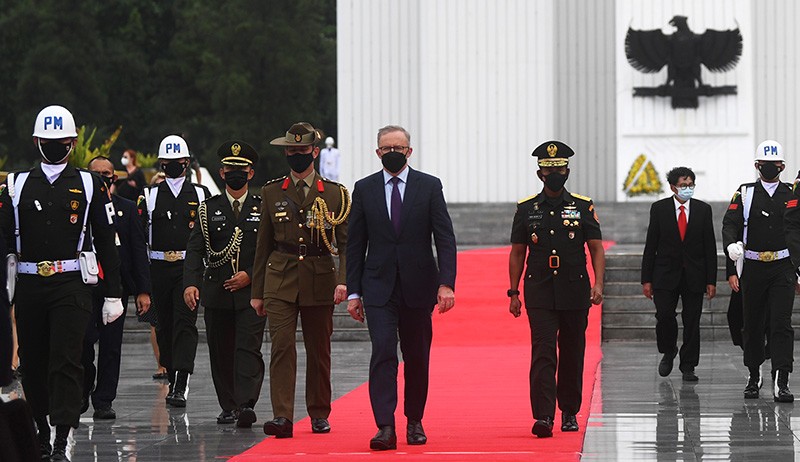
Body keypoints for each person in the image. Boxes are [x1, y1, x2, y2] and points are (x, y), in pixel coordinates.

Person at [0, 105, 123, 461]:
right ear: (37, 141)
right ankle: (39, 426)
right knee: (33, 361)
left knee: (67, 360)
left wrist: (113, 293)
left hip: (70, 284)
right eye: (49, 141)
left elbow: (106, 240)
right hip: (28, 283)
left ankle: (61, 435)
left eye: (62, 141)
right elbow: (6, 239)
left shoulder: (89, 184)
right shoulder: (16, 185)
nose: (56, 146)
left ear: (72, 141)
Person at [346, 125, 457, 451]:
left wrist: (446, 283)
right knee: (382, 351)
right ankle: (385, 426)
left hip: (419, 286)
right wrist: (353, 291)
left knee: (417, 356)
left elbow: (445, 238)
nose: (392, 151)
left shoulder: (429, 186)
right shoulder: (364, 189)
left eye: (399, 146)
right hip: (378, 287)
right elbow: (355, 244)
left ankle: (414, 420)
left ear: (409, 151)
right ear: (377, 152)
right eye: (386, 147)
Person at [250, 122, 350, 438]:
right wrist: (257, 291)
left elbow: (346, 245)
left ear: (314, 153)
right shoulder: (270, 191)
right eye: (291, 151)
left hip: (320, 276)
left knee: (319, 350)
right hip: (280, 276)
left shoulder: (335, 194)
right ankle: (282, 416)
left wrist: (344, 281)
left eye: (301, 150)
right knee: (281, 346)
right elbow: (262, 245)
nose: (296, 155)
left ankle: (319, 412)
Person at [508, 140, 605, 438]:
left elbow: (597, 249)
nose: (555, 174)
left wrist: (598, 283)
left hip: (575, 290)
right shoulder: (526, 209)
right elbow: (517, 252)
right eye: (549, 170)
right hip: (539, 290)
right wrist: (513, 292)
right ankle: (544, 416)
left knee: (573, 351)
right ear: (540, 174)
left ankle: (569, 412)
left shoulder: (582, 205)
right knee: (543, 352)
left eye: (559, 169)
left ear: (567, 171)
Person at [184, 141, 266, 428]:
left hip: (251, 292)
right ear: (221, 173)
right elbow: (195, 250)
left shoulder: (262, 207)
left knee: (248, 348)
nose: (235, 174)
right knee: (221, 351)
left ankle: (246, 403)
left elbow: (270, 251)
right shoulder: (208, 209)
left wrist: (251, 275)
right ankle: (228, 405)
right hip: (217, 290)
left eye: (240, 170)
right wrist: (190, 284)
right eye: (230, 169)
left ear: (250, 174)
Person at [138, 135, 210, 408]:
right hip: (158, 267)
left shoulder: (201, 194)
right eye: (167, 163)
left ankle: (181, 381)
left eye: (178, 163)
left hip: (188, 268)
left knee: (185, 323)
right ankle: (170, 368)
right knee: (164, 326)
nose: (172, 167)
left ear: (187, 163)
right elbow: (142, 236)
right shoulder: (149, 196)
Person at [723, 139, 795, 402]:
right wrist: (731, 249)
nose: (769, 169)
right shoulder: (745, 193)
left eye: (774, 165)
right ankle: (754, 375)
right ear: (756, 165)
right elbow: (730, 223)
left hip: (782, 267)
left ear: (782, 166)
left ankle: (782, 379)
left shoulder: (791, 193)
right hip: (752, 266)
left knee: (781, 324)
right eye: (764, 165)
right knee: (752, 323)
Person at [81, 156, 152, 420]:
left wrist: (143, 291)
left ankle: (104, 400)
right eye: (96, 173)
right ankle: (83, 388)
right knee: (83, 342)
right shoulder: (79, 207)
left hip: (115, 287)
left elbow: (137, 250)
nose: (102, 177)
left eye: (106, 173)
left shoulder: (128, 208)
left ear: (115, 178)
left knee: (111, 346)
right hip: (84, 286)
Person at [641, 167, 717, 382]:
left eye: (691, 184)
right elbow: (651, 245)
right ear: (673, 187)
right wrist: (646, 279)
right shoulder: (659, 209)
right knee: (664, 315)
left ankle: (689, 365)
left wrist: (711, 280)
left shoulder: (703, 210)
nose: (688, 188)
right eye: (684, 185)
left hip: (694, 274)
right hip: (665, 274)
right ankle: (668, 349)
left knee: (692, 320)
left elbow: (709, 247)